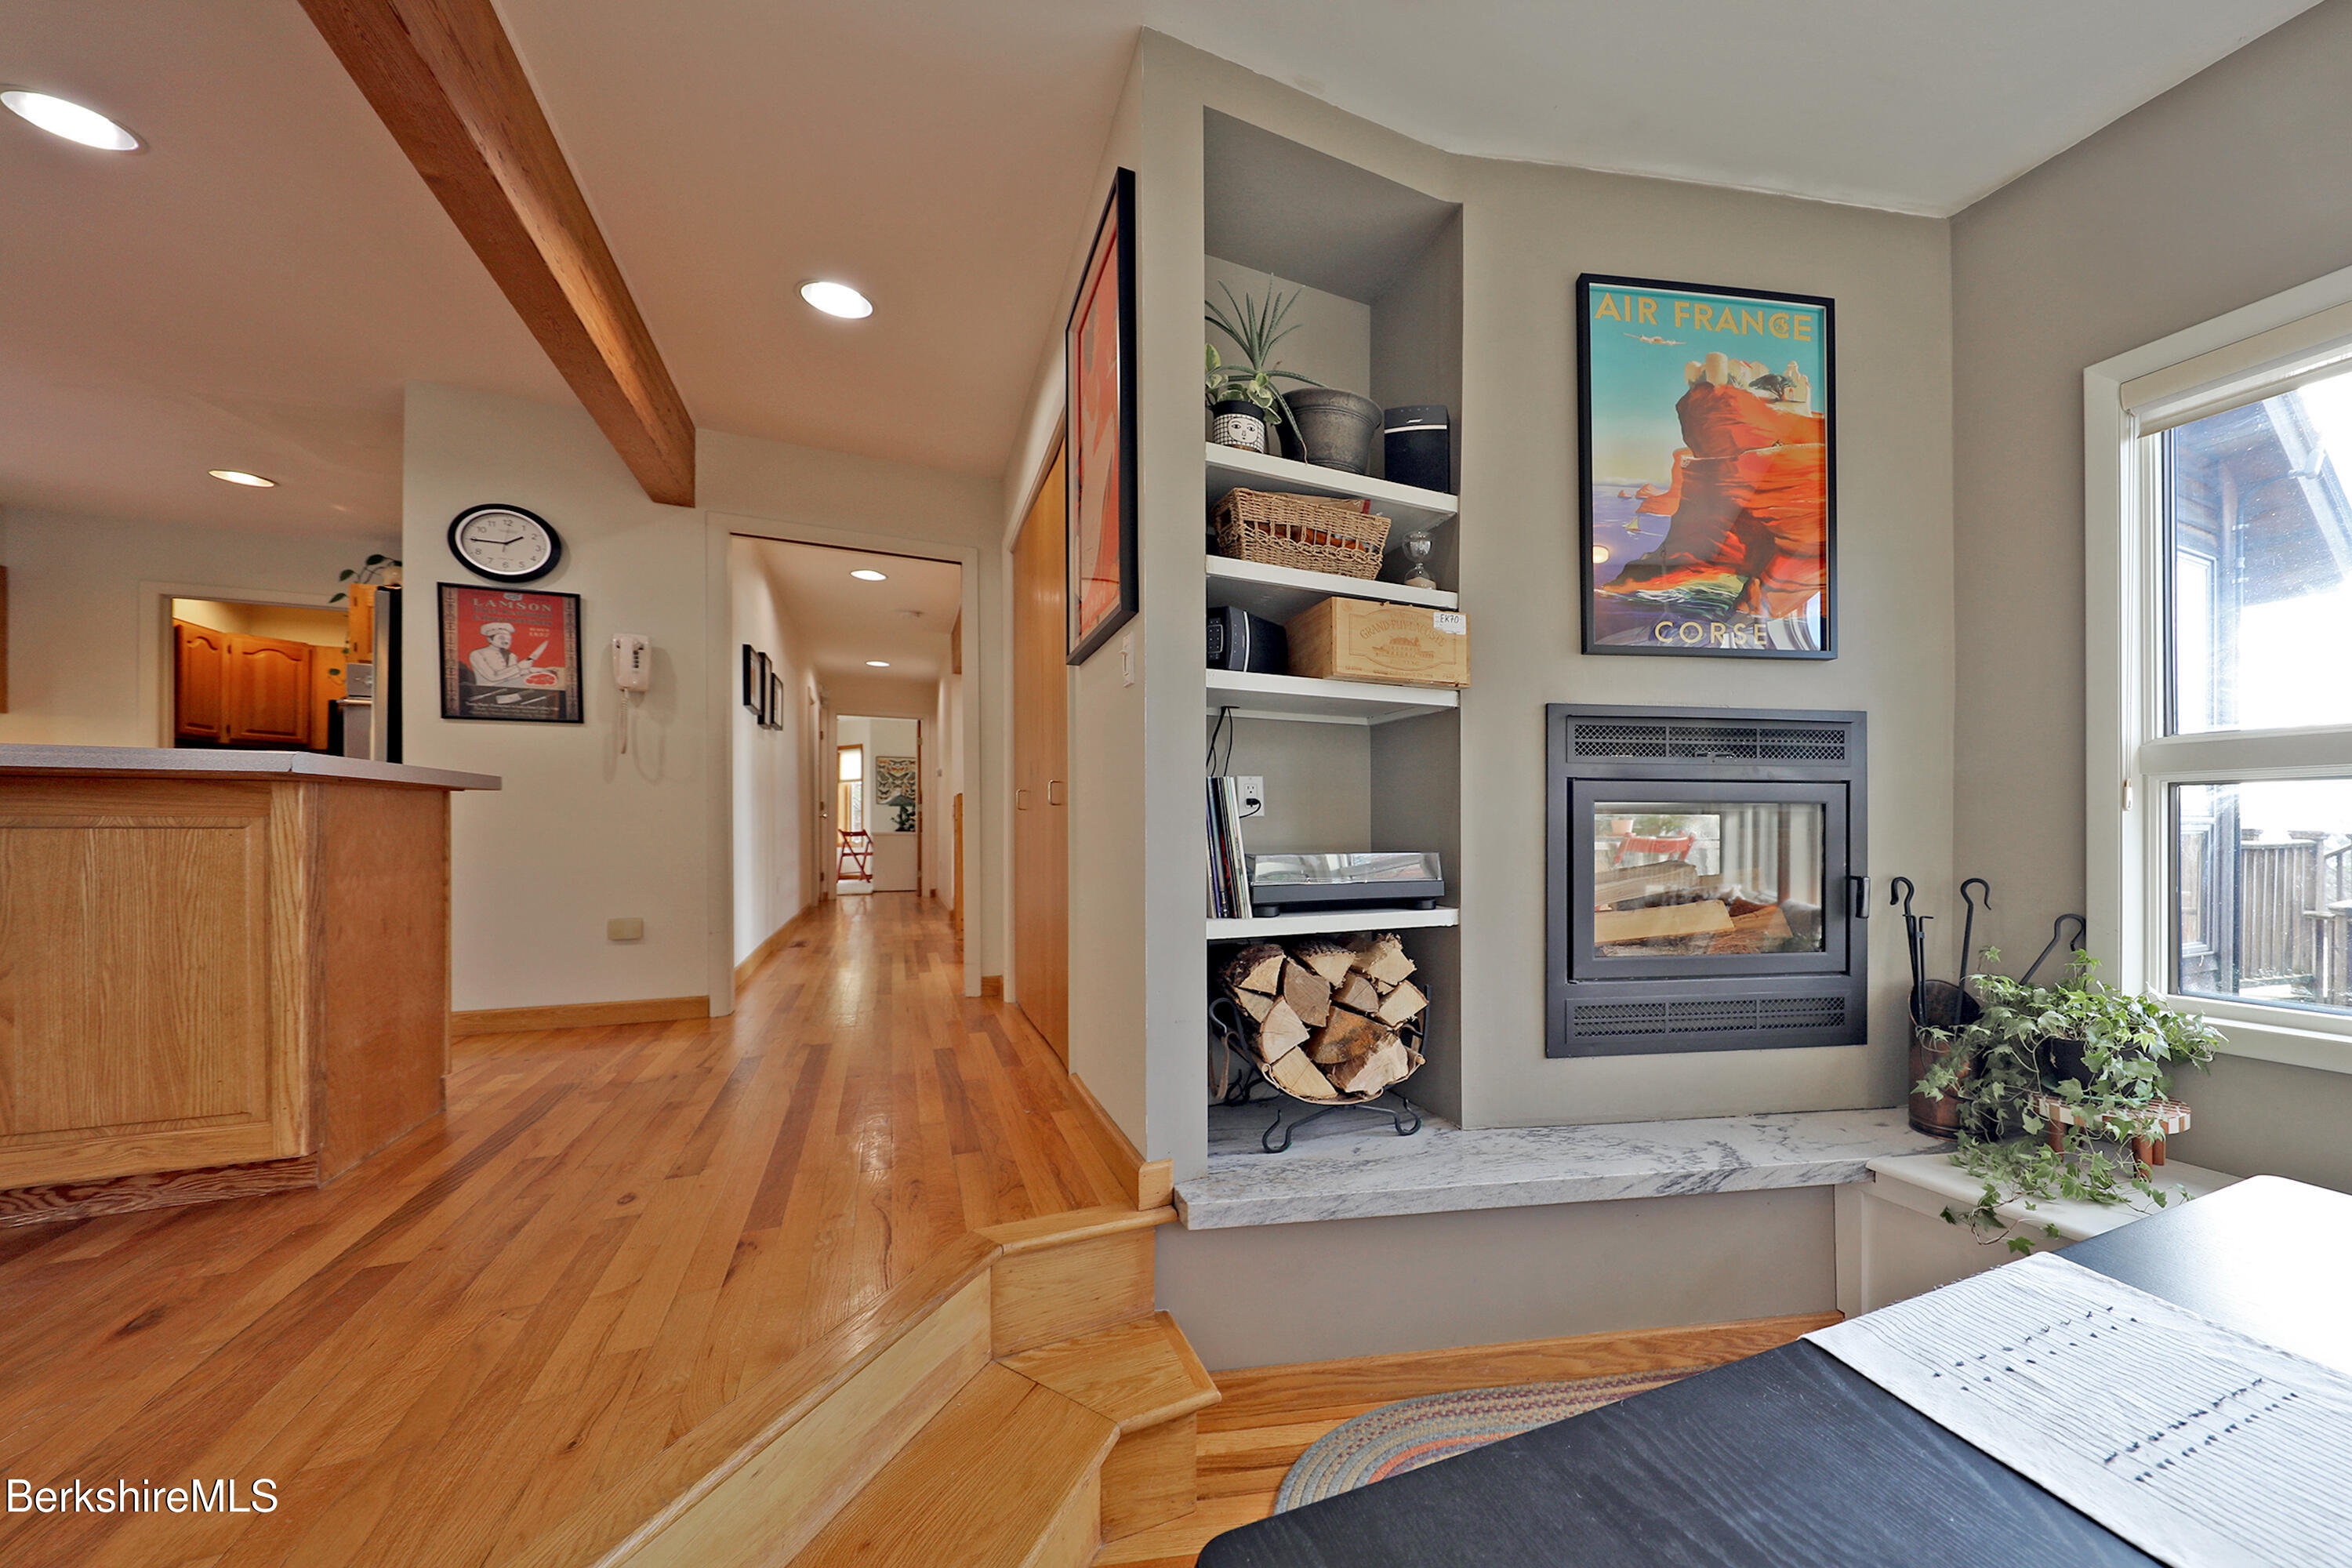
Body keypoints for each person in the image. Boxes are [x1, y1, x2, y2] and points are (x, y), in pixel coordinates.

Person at [467, 621, 537, 687]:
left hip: (511, 693)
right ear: (490, 640)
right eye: (502, 638)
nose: (506, 641)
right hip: (487, 693)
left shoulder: (511, 655)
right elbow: (492, 677)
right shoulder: (477, 654)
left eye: (509, 639)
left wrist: (530, 670)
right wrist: (519, 667)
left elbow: (513, 677)